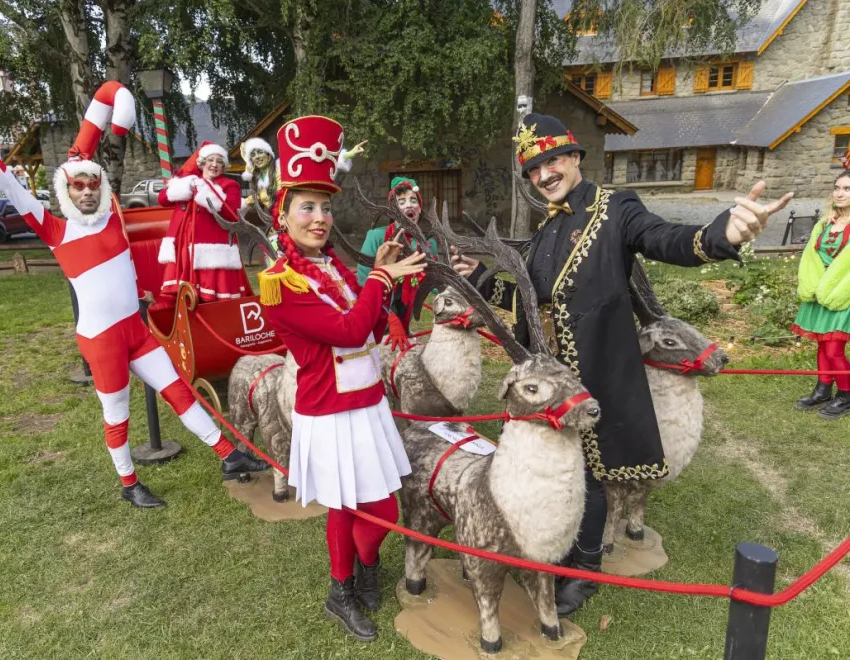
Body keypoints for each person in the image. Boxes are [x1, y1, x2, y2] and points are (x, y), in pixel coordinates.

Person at [451, 113, 793, 616]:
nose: (544, 175)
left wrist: (724, 233)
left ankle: (583, 573)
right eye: (533, 169)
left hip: (600, 374)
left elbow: (668, 239)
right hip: (552, 384)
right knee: (559, 473)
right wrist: (481, 277)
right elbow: (533, 303)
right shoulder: (547, 231)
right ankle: (558, 552)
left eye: (551, 161)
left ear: (573, 158)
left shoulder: (616, 209)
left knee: (591, 476)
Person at [0, 84, 268, 509]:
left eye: (92, 184)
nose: (87, 190)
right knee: (117, 412)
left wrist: (111, 103)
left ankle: (230, 457)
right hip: (102, 339)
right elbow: (8, 183)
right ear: (65, 190)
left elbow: (95, 152)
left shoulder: (112, 216)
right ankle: (129, 483)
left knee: (179, 389)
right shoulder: (54, 229)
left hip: (135, 329)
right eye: (78, 186)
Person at [258, 116, 426, 641]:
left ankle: (367, 566)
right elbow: (349, 330)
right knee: (345, 504)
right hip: (328, 409)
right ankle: (341, 589)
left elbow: (370, 327)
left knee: (380, 504)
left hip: (367, 403)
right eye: (307, 206)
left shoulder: (333, 270)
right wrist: (379, 276)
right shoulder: (279, 283)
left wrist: (389, 285)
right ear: (282, 215)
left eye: (326, 207)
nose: (320, 217)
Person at [155, 141, 252, 308]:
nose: (214, 165)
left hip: (213, 245)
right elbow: (162, 199)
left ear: (224, 167)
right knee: (179, 289)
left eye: (219, 162)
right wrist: (182, 186)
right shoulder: (189, 181)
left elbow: (231, 214)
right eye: (210, 160)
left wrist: (206, 192)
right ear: (201, 162)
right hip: (183, 243)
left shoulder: (230, 185)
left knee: (212, 296)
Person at [792, 170, 850, 418]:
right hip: (819, 293)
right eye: (837, 187)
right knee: (821, 345)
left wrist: (837, 287)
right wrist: (812, 283)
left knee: (834, 350)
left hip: (842, 294)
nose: (840, 193)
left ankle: (847, 395)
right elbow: (810, 257)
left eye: (847, 189)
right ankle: (823, 389)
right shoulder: (825, 223)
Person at [356, 177, 437, 347]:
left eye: (413, 200)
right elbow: (363, 283)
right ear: (393, 210)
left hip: (407, 319)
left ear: (420, 209)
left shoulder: (428, 243)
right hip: (373, 322)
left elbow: (435, 285)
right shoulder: (376, 237)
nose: (408, 205)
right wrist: (389, 318)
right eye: (401, 202)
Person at [240, 137, 279, 215]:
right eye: (253, 155)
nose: (257, 157)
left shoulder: (279, 170)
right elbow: (256, 196)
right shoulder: (258, 178)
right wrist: (242, 204)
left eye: (260, 152)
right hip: (274, 218)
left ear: (269, 156)